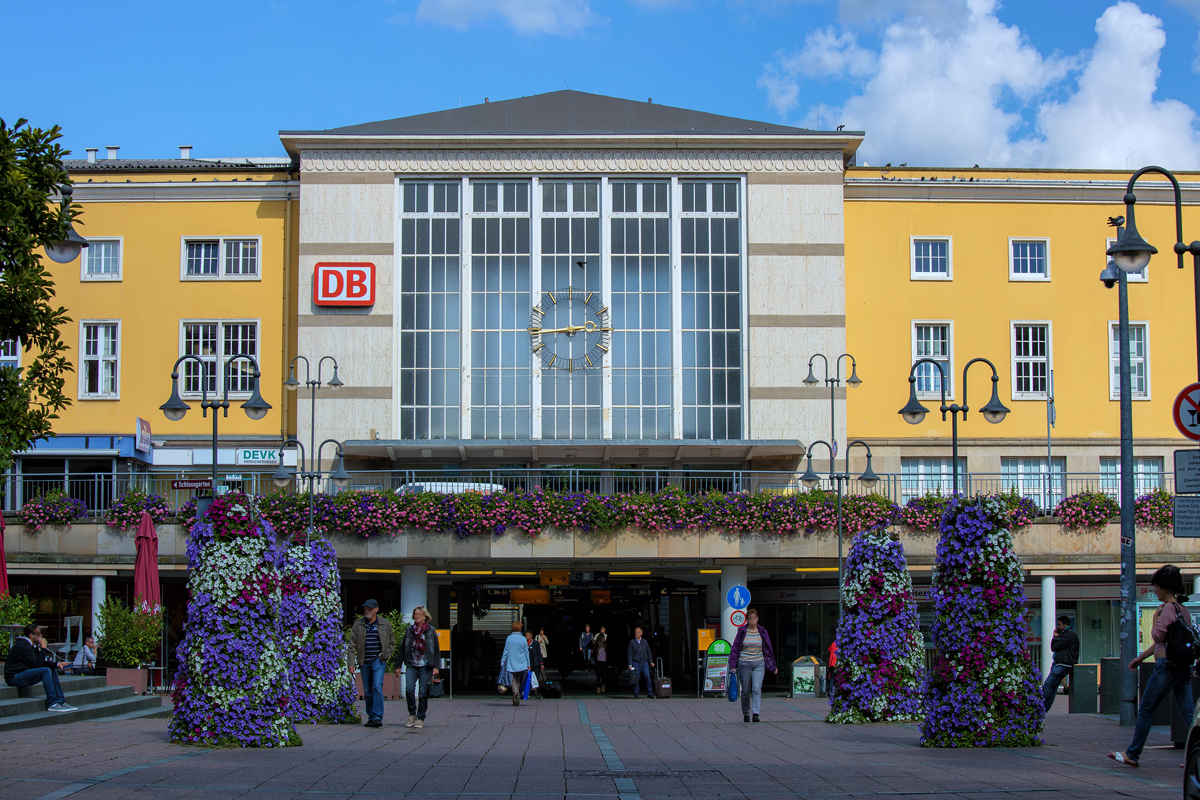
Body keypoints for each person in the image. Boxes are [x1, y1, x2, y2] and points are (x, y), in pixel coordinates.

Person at [1110, 565, 1196, 767]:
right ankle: (1197, 756)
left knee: (1146, 709)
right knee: (1189, 714)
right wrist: (1141, 658)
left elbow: (1157, 636)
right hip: (1182, 667)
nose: (1154, 591)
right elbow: (1166, 642)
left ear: (1164, 588)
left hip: (1166, 667)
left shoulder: (1167, 609)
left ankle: (1133, 754)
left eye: (1156, 587)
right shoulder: (1183, 610)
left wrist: (1156, 617)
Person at [4, 624, 74, 712]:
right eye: (38, 634)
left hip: (23, 673)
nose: (41, 636)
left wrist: (57, 664)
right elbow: (36, 664)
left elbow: (40, 662)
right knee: (45, 670)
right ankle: (52, 703)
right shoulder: (23, 645)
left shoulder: (32, 646)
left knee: (51, 669)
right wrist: (43, 648)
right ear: (31, 635)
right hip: (14, 677)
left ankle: (61, 702)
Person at [349, 599, 395, 728]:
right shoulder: (359, 624)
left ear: (376, 609)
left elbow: (392, 643)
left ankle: (378, 717)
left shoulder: (384, 624)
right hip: (364, 660)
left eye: (369, 609)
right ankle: (371, 716)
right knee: (368, 690)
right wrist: (351, 663)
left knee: (377, 686)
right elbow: (351, 645)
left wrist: (384, 657)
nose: (367, 611)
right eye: (365, 608)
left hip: (378, 660)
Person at [730, 609, 778, 722]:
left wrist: (773, 665)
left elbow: (768, 649)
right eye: (750, 618)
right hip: (744, 663)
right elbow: (735, 648)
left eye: (754, 618)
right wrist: (732, 665)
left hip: (759, 664)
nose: (752, 620)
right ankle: (746, 713)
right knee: (745, 691)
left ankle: (756, 713)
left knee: (756, 688)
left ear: (757, 619)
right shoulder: (742, 631)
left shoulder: (762, 632)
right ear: (747, 620)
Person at [399, 606, 440, 728]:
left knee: (422, 693)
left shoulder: (431, 631)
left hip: (425, 666)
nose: (416, 616)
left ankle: (421, 718)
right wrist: (398, 665)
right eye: (415, 614)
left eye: (419, 614)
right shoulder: (409, 630)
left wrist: (436, 667)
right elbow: (403, 648)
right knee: (409, 690)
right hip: (411, 664)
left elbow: (436, 650)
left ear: (425, 616)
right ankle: (412, 714)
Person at [1041, 615, 1078, 711]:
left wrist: (1056, 639)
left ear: (1065, 625)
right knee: (1053, 687)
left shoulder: (1069, 634)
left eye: (1059, 624)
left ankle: (1039, 705)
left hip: (1063, 664)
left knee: (1048, 685)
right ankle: (1044, 709)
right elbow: (1053, 648)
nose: (1058, 627)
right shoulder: (1064, 634)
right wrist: (1055, 637)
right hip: (1059, 664)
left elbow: (1055, 647)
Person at [500, 620, 530, 706]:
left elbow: (506, 650)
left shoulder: (509, 638)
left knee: (512, 679)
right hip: (521, 662)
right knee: (518, 679)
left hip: (511, 661)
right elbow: (526, 652)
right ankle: (515, 697)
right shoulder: (523, 639)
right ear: (520, 628)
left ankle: (515, 692)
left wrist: (502, 661)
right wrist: (528, 664)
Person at [627, 626, 655, 699]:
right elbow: (629, 654)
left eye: (638, 632)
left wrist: (651, 662)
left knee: (647, 676)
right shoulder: (632, 642)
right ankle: (636, 693)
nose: (636, 634)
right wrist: (630, 664)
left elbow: (649, 652)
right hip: (636, 662)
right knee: (636, 678)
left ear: (641, 633)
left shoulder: (645, 641)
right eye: (635, 632)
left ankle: (650, 693)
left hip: (644, 662)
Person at [525, 631, 544, 699]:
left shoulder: (536, 643)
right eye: (526, 635)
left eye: (528, 635)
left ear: (531, 636)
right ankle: (527, 692)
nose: (526, 637)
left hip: (535, 664)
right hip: (527, 664)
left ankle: (537, 692)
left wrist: (541, 664)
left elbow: (539, 654)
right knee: (527, 679)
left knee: (536, 679)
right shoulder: (524, 644)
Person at [592, 626, 609, 694]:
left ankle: (603, 686)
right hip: (598, 662)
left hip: (604, 662)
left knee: (603, 675)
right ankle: (598, 687)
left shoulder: (606, 646)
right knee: (598, 675)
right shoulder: (597, 647)